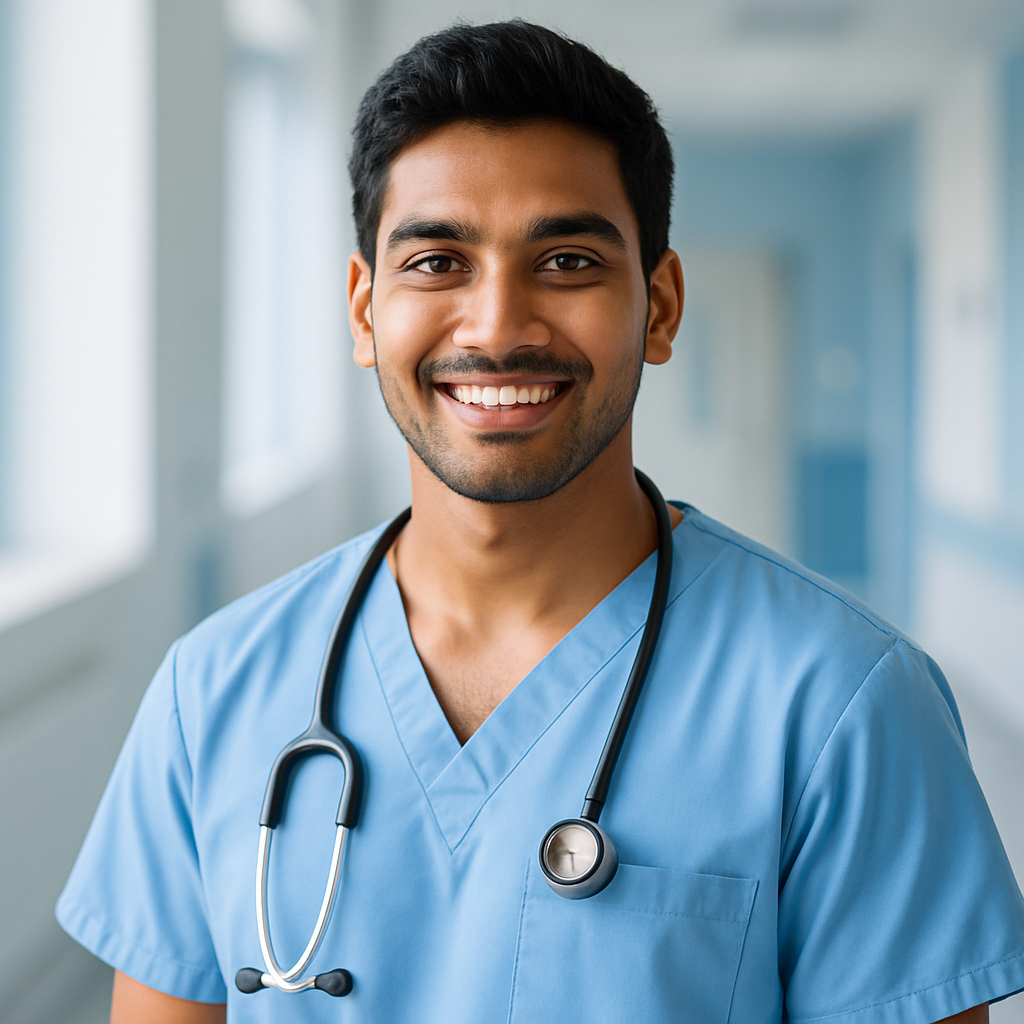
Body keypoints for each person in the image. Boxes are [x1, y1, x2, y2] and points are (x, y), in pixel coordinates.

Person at [58, 20, 1024, 1024]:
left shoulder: (843, 703)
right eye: (436, 261)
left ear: (657, 306)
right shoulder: (211, 693)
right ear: (362, 310)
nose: (498, 326)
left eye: (566, 260)